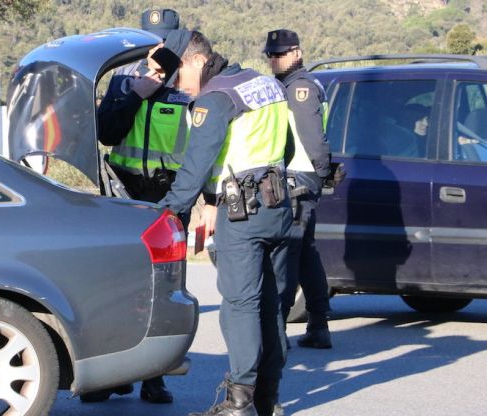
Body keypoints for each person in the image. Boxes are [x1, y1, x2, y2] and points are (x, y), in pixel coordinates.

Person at [159, 30, 292, 416]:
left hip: (244, 213)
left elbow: (195, 166)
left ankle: (239, 402)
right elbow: (286, 148)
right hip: (279, 206)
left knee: (239, 305)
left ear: (198, 61)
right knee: (270, 305)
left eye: (179, 74)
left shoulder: (215, 98)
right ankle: (268, 397)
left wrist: (169, 212)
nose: (178, 86)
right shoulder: (264, 84)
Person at [80, 24, 191, 405]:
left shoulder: (187, 85)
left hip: (168, 197)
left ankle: (154, 376)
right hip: (123, 194)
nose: (154, 51)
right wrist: (135, 95)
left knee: (162, 290)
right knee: (117, 286)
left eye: (162, 43)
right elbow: (107, 133)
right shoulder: (122, 80)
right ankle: (111, 375)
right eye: (150, 43)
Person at [263, 29, 340, 351]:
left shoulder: (300, 89)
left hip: (298, 179)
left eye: (279, 54)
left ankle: (279, 331)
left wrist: (321, 174)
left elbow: (313, 140)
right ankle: (319, 325)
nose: (273, 60)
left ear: (296, 52)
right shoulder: (290, 86)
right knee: (305, 254)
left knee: (288, 256)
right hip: (301, 179)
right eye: (270, 54)